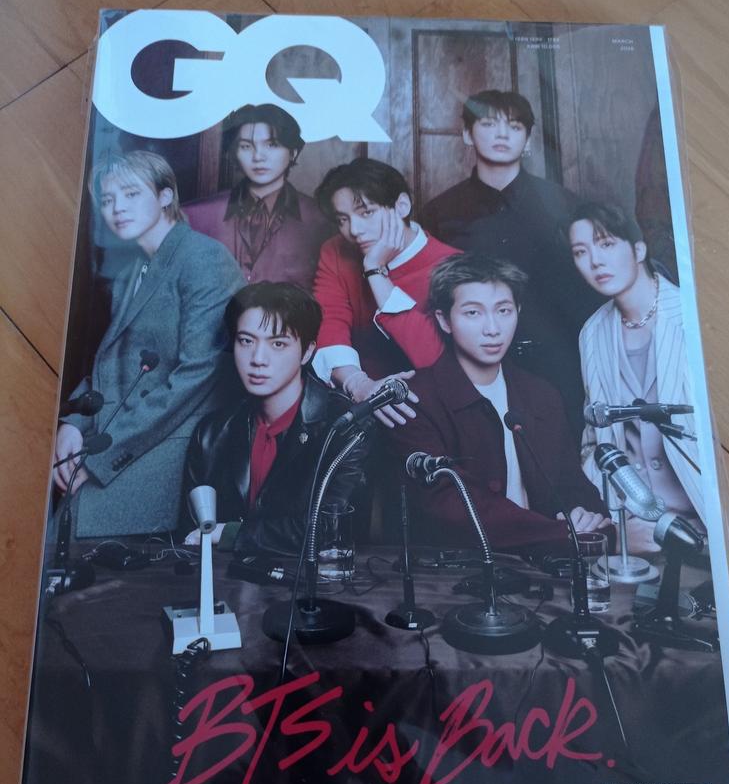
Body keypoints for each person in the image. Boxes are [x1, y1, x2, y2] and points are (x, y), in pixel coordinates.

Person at [54, 150, 244, 537]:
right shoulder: (132, 269)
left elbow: (196, 375)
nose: (117, 208)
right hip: (124, 432)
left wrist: (101, 455)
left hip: (171, 442)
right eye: (107, 199)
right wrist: (74, 423)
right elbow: (115, 370)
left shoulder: (204, 258)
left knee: (73, 536)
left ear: (165, 196)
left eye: (131, 194)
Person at [387, 252, 609, 552]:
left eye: (503, 311)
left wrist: (587, 519)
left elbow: (573, 485)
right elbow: (452, 508)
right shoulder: (416, 399)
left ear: (518, 311)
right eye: (473, 313)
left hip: (547, 566)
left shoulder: (541, 395)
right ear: (444, 320)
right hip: (459, 569)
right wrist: (564, 536)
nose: (492, 329)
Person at [421, 89, 602, 436]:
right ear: (467, 134)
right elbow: (430, 299)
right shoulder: (439, 212)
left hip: (557, 367)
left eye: (515, 127)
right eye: (489, 124)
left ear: (528, 140)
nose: (502, 135)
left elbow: (589, 293)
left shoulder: (564, 206)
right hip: (470, 368)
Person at [182, 282, 369, 557]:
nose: (258, 359)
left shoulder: (345, 427)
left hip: (311, 581)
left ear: (307, 352)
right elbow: (192, 537)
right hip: (223, 579)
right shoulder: (212, 432)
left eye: (278, 344)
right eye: (246, 341)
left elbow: (330, 529)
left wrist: (229, 533)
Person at [569, 202, 704, 550]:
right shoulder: (592, 333)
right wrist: (618, 524)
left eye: (606, 243)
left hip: (705, 521)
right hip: (637, 530)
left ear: (639, 249)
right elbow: (594, 440)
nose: (595, 261)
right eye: (580, 252)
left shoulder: (693, 317)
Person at [312, 157, 458, 428]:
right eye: (343, 219)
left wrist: (375, 270)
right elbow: (329, 324)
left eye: (366, 212)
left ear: (401, 206)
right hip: (356, 401)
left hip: (431, 409)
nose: (354, 230)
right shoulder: (336, 251)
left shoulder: (452, 264)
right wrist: (359, 384)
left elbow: (433, 358)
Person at [185, 104, 332, 288]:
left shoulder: (321, 220)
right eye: (246, 146)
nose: (258, 157)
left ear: (293, 153)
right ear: (233, 154)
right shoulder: (194, 216)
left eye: (271, 145)